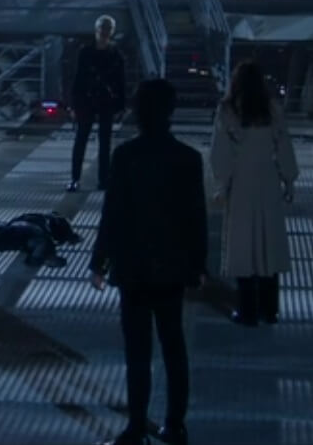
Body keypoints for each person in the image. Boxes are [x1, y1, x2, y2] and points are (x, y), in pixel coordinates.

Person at [89, 80, 206, 445]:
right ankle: (175, 424)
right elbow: (196, 218)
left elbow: (113, 214)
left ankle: (137, 427)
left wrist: (99, 261)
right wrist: (197, 265)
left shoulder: (125, 156)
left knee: (137, 351)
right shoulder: (188, 158)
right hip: (171, 265)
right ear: (171, 111)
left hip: (133, 265)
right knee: (174, 346)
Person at [210, 61, 298, 327]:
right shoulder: (273, 109)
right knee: (268, 242)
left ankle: (247, 310)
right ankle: (270, 310)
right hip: (268, 181)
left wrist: (221, 185)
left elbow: (221, 152)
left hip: (242, 182)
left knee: (242, 244)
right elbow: (284, 146)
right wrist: (289, 180)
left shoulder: (227, 110)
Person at [68, 15, 128, 192]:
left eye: (107, 29)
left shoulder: (114, 54)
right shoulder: (88, 52)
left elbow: (121, 82)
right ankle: (76, 178)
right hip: (88, 100)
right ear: (97, 29)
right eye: (103, 28)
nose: (104, 32)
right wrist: (74, 104)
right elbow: (78, 79)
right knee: (82, 139)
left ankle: (102, 179)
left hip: (104, 101)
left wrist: (121, 105)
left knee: (103, 142)